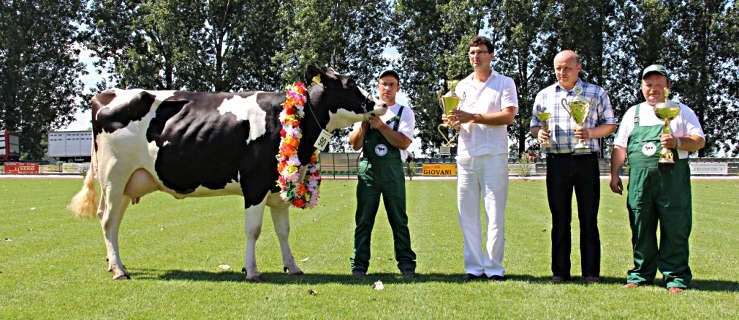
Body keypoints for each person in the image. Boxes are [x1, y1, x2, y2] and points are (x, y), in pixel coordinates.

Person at [609, 64, 705, 293]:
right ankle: (641, 274)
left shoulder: (682, 111)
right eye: (649, 85)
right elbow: (620, 146)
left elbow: (699, 140)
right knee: (641, 226)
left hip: (672, 182)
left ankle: (676, 277)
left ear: (667, 87)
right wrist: (614, 174)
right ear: (642, 87)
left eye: (658, 85)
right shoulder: (633, 113)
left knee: (675, 228)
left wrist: (678, 142)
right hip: (641, 182)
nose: (653, 90)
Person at [529, 50, 618, 284]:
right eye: (558, 68)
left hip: (586, 159)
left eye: (566, 68)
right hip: (557, 161)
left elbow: (610, 125)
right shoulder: (544, 95)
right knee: (559, 218)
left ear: (578, 67)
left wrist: (590, 133)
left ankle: (591, 273)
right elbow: (535, 126)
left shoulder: (596, 92)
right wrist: (540, 135)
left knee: (589, 217)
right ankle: (560, 272)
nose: (561, 73)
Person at [443, 35, 518, 281]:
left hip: (494, 156)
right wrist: (454, 122)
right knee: (467, 216)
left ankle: (494, 268)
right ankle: (474, 268)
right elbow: (460, 121)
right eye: (472, 53)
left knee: (495, 214)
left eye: (481, 52)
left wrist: (472, 116)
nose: (476, 57)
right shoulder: (462, 86)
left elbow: (508, 116)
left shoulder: (505, 83)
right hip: (466, 156)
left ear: (491, 55)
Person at [349, 69, 416, 277]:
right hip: (368, 171)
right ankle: (359, 266)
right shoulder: (365, 111)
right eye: (383, 84)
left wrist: (381, 126)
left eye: (392, 84)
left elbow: (403, 142)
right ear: (377, 86)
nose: (387, 88)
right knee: (363, 221)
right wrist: (364, 123)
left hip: (392, 172)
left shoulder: (404, 112)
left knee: (399, 220)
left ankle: (406, 265)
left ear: (398, 88)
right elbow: (354, 144)